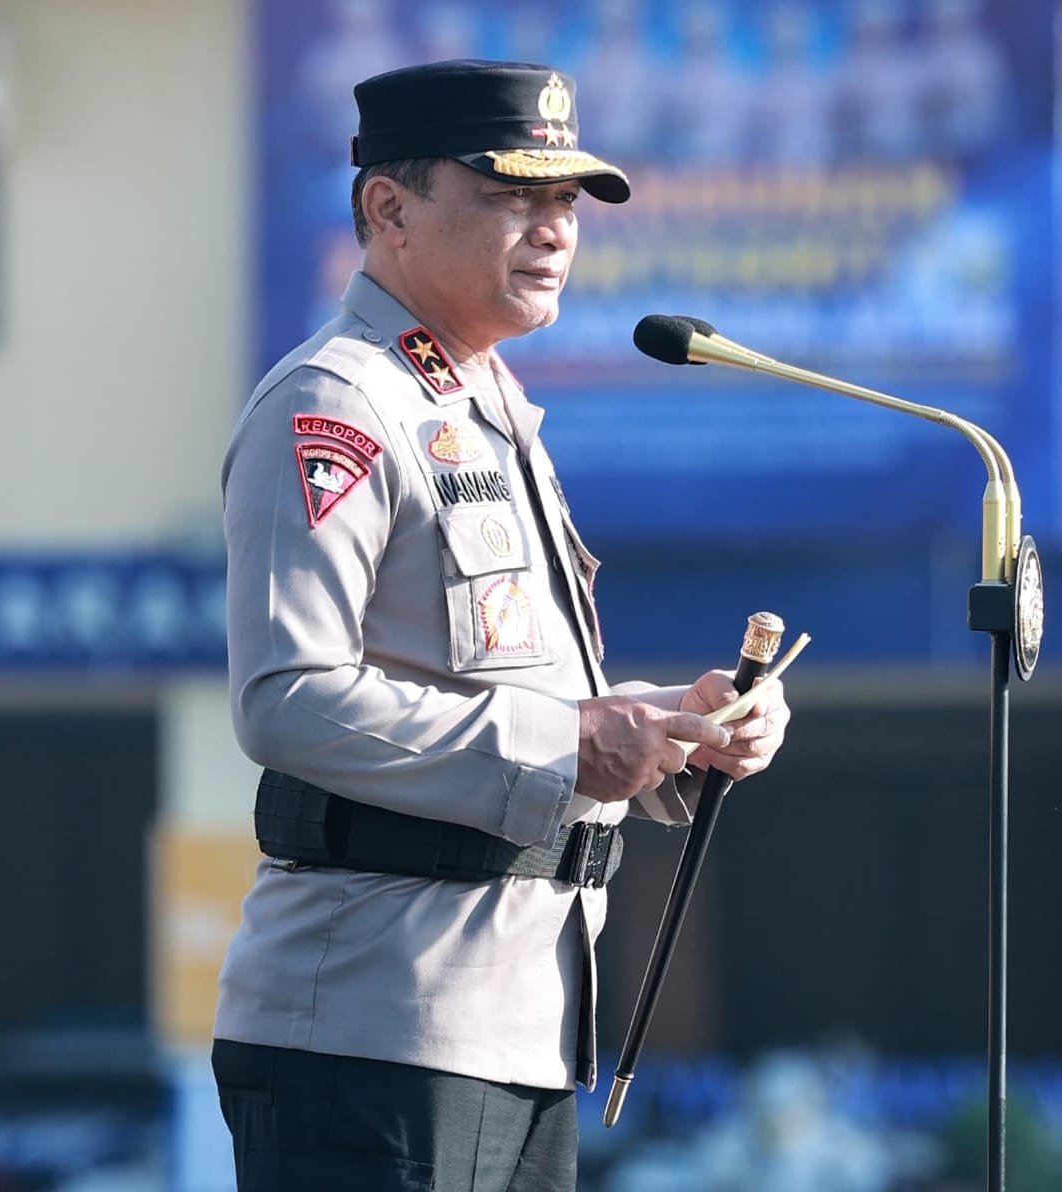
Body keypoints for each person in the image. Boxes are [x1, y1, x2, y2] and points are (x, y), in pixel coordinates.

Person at [211, 59, 792, 1192]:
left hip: (520, 1022)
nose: (555, 228)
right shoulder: (338, 401)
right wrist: (570, 740)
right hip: (375, 1022)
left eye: (567, 200)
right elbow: (287, 699)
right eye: (511, 195)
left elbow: (504, 686)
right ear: (389, 208)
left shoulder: (488, 404)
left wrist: (672, 726)